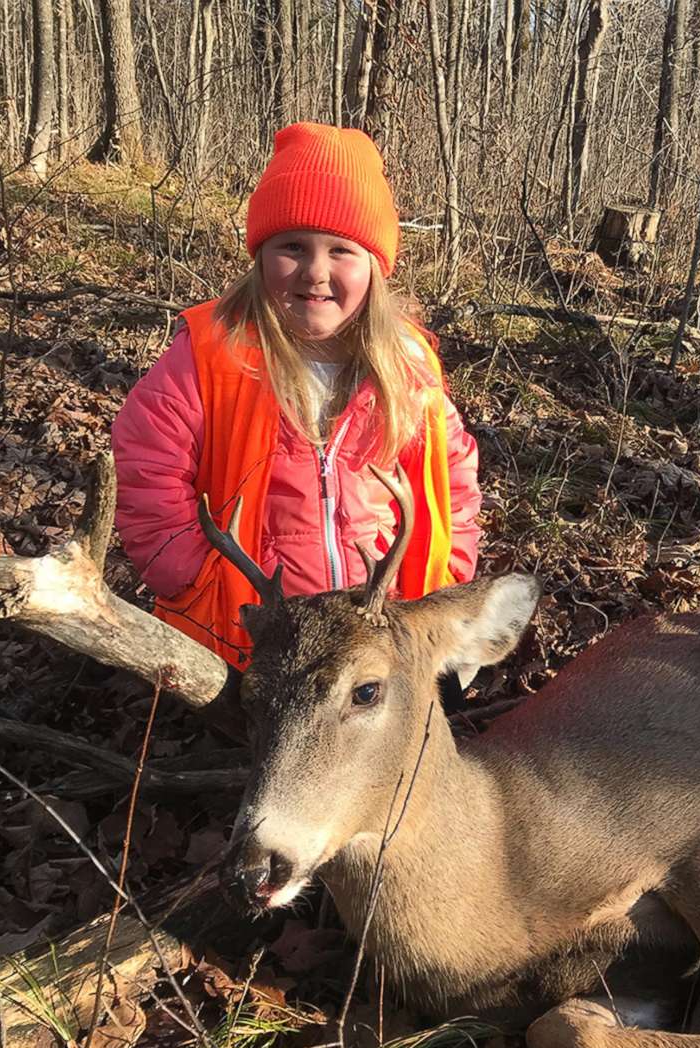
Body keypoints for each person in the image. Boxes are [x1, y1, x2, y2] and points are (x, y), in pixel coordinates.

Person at [111, 122, 484, 671]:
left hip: (375, 634)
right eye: (292, 247)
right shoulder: (214, 354)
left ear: (375, 268)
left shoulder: (407, 368)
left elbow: (452, 486)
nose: (315, 272)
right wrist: (190, 576)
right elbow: (148, 467)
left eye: (341, 251)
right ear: (260, 256)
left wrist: (445, 583)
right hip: (248, 633)